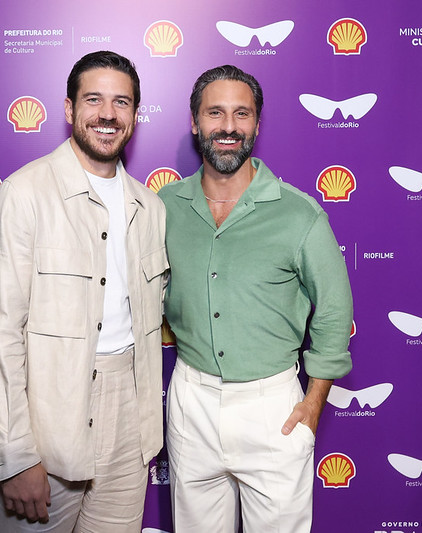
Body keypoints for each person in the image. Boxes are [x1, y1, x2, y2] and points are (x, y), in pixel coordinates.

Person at [0, 50, 168, 532]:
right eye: (94, 100)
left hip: (132, 421)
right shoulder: (25, 194)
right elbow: (1, 332)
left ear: (135, 114)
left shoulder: (150, 207)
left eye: (121, 102)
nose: (108, 114)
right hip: (48, 421)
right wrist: (14, 455)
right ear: (69, 109)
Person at [158, 65, 353, 532]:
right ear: (194, 121)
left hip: (275, 408)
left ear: (257, 124)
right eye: (215, 113)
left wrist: (314, 403)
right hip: (191, 402)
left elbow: (333, 310)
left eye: (241, 114)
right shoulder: (162, 207)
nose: (228, 127)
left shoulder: (299, 212)